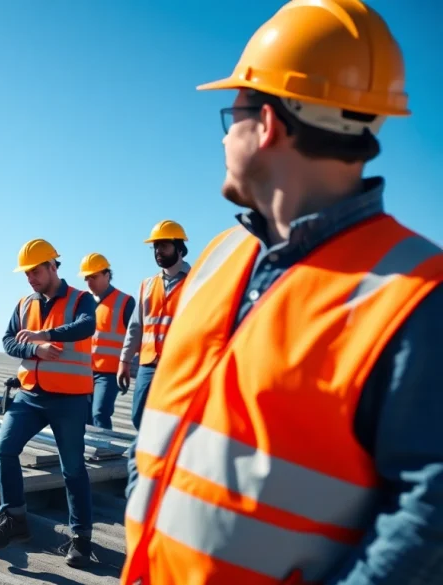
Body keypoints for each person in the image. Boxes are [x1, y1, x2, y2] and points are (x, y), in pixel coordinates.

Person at [121, 1, 443, 584]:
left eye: (232, 116)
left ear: (267, 125)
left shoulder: (416, 294)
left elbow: (428, 519)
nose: (224, 141)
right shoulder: (220, 259)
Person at [0, 238, 97, 569]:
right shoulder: (23, 304)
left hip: (70, 398)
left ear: (51, 266)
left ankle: (81, 539)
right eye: (26, 273)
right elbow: (7, 340)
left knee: (72, 469)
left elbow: (86, 326)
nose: (30, 278)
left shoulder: (80, 299)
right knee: (4, 449)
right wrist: (34, 350)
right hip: (31, 395)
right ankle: (15, 519)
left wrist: (46, 336)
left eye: (35, 271)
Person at [116, 220, 190, 430]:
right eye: (155, 246)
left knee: (176, 420)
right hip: (148, 364)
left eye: (163, 245)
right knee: (139, 416)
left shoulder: (196, 281)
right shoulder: (147, 285)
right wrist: (124, 360)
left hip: (179, 365)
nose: (158, 251)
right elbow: (136, 327)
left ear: (179, 247)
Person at [78, 253, 135, 430]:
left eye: (93, 277)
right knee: (84, 414)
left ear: (107, 275)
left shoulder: (125, 302)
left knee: (100, 412)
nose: (89, 282)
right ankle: (86, 452)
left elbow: (135, 336)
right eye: (87, 278)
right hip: (85, 370)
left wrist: (128, 366)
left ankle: (104, 451)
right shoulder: (83, 301)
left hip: (110, 372)